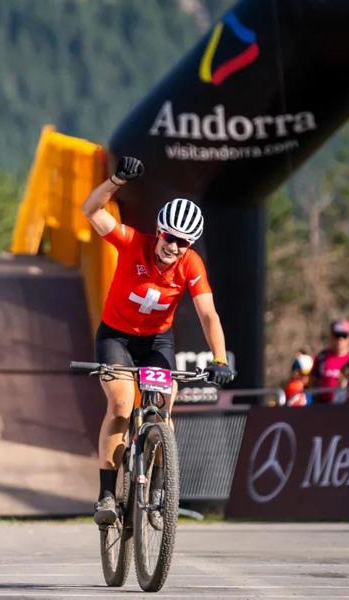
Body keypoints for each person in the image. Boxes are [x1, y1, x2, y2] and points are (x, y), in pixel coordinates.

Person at [81, 156, 234, 526]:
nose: (174, 247)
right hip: (116, 337)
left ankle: (162, 490)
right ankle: (106, 492)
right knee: (120, 406)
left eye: (183, 242)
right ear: (159, 231)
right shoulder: (133, 242)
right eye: (169, 237)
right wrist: (116, 180)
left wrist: (219, 359)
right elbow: (90, 210)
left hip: (155, 342)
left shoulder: (190, 264)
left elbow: (208, 314)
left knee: (165, 403)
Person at [308, 319, 349, 404]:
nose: (340, 339)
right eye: (337, 335)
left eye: (344, 335)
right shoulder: (321, 357)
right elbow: (312, 380)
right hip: (323, 407)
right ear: (331, 336)